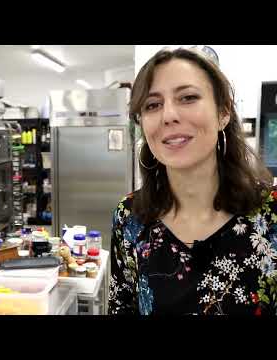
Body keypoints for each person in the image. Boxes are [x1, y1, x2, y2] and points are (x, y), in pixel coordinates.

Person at [108, 47, 277, 315]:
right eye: (153, 105)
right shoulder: (130, 218)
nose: (168, 115)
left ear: (223, 112)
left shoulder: (270, 214)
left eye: (187, 97)